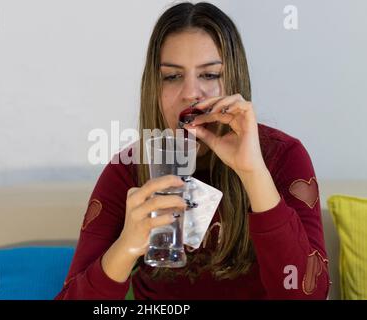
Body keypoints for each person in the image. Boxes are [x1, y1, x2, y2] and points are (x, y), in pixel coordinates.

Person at [55, 1, 330, 300]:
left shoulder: (284, 156)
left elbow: (309, 295)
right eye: (172, 77)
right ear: (154, 89)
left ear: (234, 81)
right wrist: (127, 247)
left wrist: (253, 173)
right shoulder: (128, 170)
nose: (190, 92)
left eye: (209, 75)